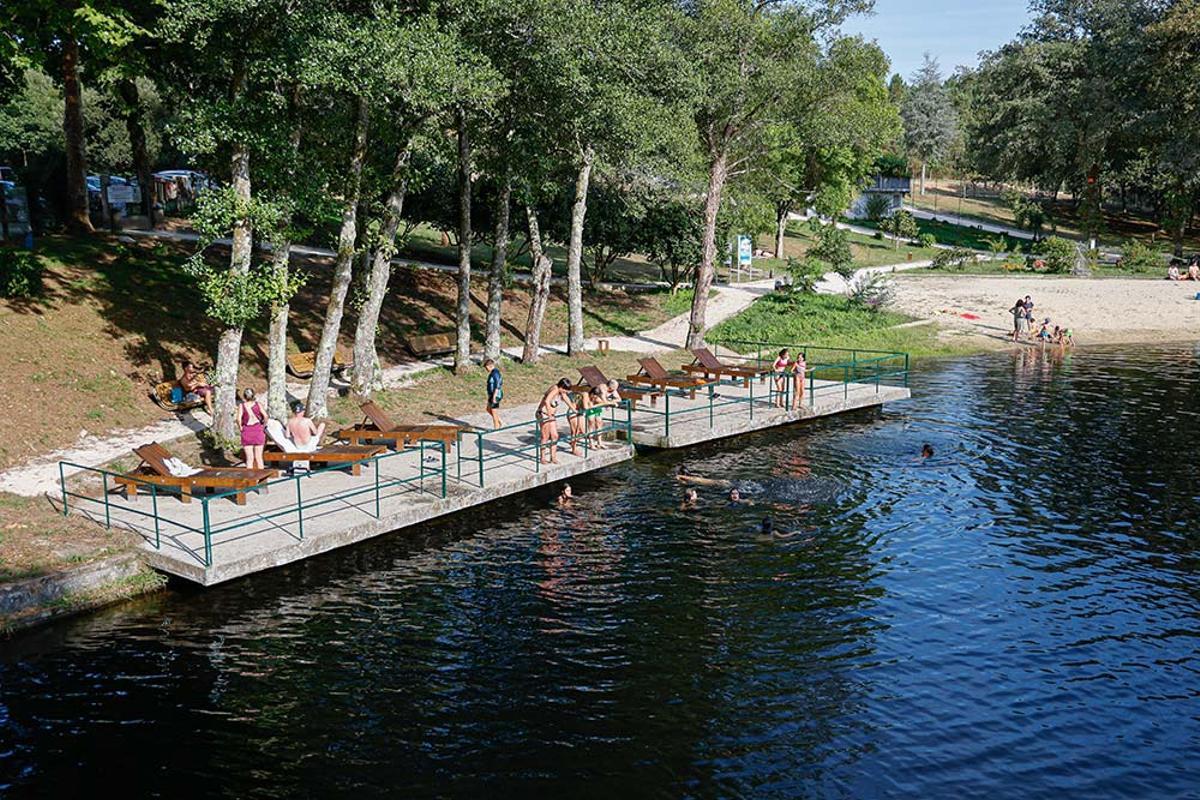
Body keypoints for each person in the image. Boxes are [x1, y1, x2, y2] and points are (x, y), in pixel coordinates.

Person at [537, 379, 578, 464]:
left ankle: (553, 457)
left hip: (551, 415)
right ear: (561, 387)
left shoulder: (561, 392)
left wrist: (573, 409)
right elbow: (547, 401)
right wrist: (549, 415)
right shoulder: (555, 390)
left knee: (555, 436)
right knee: (545, 436)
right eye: (565, 390)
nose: (566, 392)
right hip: (544, 414)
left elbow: (566, 399)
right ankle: (543, 458)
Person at [238, 388, 268, 470]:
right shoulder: (258, 404)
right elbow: (265, 416)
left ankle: (250, 477)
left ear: (244, 396)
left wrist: (240, 427)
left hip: (247, 430)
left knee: (249, 459)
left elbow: (238, 419)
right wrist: (263, 425)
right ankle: (261, 476)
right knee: (259, 458)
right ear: (253, 395)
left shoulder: (242, 406)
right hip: (258, 430)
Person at [484, 358, 503, 429]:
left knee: (493, 410)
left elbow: (497, 385)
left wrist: (494, 396)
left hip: (496, 394)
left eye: (486, 368)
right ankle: (499, 421)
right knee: (488, 409)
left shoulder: (496, 373)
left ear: (490, 366)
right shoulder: (492, 373)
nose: (486, 370)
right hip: (491, 394)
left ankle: (496, 427)